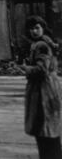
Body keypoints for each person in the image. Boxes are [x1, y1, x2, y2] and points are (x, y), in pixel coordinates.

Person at [24, 15, 62, 158]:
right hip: (49, 89)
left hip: (43, 92)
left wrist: (25, 69)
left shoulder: (41, 45)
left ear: (43, 28)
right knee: (50, 132)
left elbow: (41, 69)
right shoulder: (47, 42)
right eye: (31, 28)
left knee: (43, 131)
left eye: (37, 28)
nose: (34, 31)